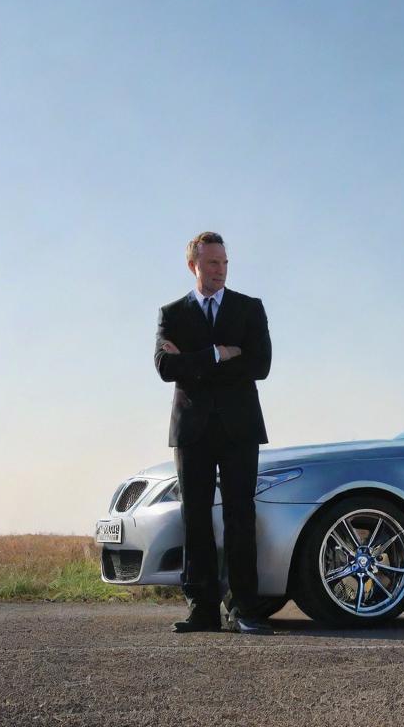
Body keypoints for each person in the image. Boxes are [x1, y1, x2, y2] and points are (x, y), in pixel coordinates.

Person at [154, 231, 274, 635]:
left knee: (241, 516)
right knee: (196, 519)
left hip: (240, 428)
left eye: (224, 262)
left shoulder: (249, 308)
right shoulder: (172, 314)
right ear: (194, 265)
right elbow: (165, 368)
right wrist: (218, 354)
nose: (220, 270)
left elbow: (260, 365)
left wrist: (192, 362)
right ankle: (202, 610)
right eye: (211, 263)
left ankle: (244, 609)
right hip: (192, 430)